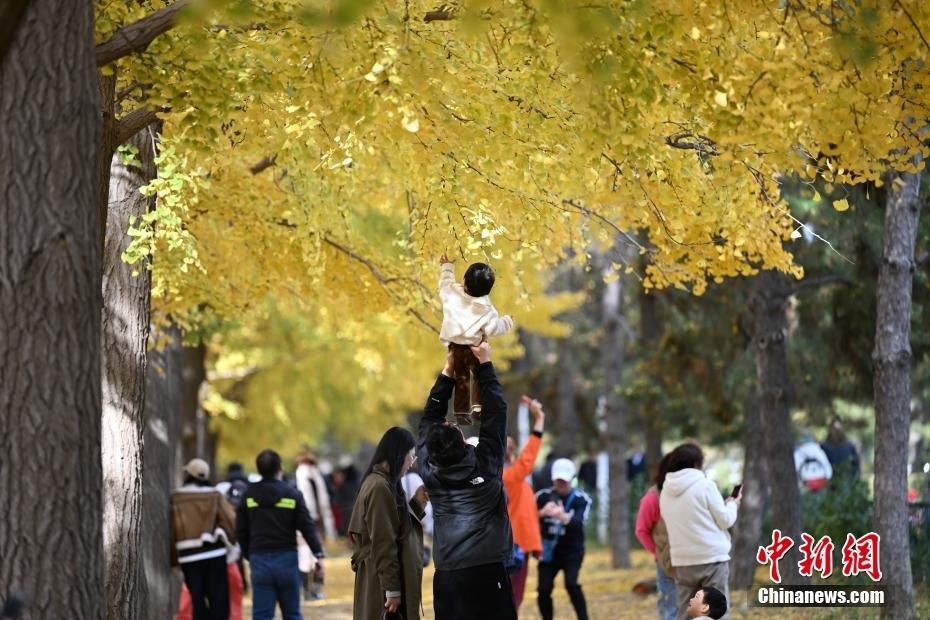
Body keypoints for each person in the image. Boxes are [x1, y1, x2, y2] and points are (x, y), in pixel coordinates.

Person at [418, 343, 518, 620]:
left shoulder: (430, 473)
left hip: (449, 573)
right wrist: (484, 365)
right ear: (462, 442)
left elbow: (429, 419)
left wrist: (449, 372)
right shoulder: (485, 464)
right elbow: (495, 412)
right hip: (487, 569)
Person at [236, 449, 326, 620]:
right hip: (287, 560)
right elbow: (307, 527)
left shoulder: (248, 496)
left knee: (262, 615)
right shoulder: (293, 495)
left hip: (259, 560)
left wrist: (250, 554)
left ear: (259, 469)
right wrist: (318, 554)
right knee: (292, 614)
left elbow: (240, 530)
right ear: (280, 468)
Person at [349, 427, 424, 619]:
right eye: (411, 455)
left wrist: (417, 502)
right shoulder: (379, 487)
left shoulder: (380, 482)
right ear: (399, 453)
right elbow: (384, 541)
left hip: (378, 575)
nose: (412, 462)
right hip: (379, 582)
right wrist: (392, 590)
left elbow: (395, 523)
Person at [660, 443, 739, 620]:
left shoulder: (666, 491)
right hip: (711, 558)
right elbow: (725, 520)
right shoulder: (705, 486)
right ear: (697, 463)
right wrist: (733, 504)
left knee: (685, 612)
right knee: (716, 612)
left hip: (683, 560)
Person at [438, 254, 513, 423]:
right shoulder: (486, 309)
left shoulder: (451, 294)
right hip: (474, 348)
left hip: (454, 347)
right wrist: (507, 322)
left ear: (464, 280)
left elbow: (445, 282)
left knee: (461, 379)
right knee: (478, 375)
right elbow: (494, 328)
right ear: (487, 290)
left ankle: (461, 413)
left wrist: (447, 266)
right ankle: (477, 408)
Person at [170, 458, 237, 620]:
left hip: (188, 555)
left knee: (197, 601)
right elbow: (230, 521)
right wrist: (231, 542)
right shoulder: (214, 495)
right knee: (218, 601)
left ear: (188, 474)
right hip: (214, 552)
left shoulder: (176, 497)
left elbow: (171, 529)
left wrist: (173, 559)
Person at [503, 395, 546, 611]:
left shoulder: (505, 478)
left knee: (509, 597)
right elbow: (528, 458)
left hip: (512, 542)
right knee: (512, 597)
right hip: (514, 544)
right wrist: (539, 420)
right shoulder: (509, 477)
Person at [535, 458, 592, 620]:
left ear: (571, 478)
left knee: (571, 584)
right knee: (543, 589)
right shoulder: (542, 497)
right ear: (553, 478)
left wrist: (563, 517)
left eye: (564, 480)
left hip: (572, 552)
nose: (561, 484)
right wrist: (541, 513)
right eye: (558, 480)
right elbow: (527, 521)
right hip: (548, 552)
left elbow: (579, 522)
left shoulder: (581, 499)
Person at [635, 453, 675, 620]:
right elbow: (641, 530)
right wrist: (658, 552)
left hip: (693, 560)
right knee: (669, 606)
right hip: (666, 563)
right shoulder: (652, 498)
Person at [295, 449, 336, 600]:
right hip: (317, 523)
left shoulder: (296, 478)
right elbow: (330, 496)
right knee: (316, 556)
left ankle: (308, 590)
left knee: (306, 557)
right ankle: (314, 589)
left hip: (306, 522)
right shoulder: (319, 477)